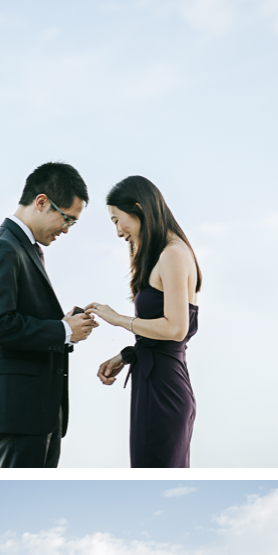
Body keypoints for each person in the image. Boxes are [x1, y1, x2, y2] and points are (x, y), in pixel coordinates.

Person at [0, 162, 96, 468]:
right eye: (68, 220)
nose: (66, 229)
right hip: (20, 408)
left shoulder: (25, 248)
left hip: (39, 408)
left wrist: (63, 322)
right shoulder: (2, 248)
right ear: (41, 202)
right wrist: (63, 332)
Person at [88, 176, 200, 468]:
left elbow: (176, 329)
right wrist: (128, 354)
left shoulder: (173, 254)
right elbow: (161, 333)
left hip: (164, 391)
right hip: (153, 384)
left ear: (138, 208)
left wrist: (117, 319)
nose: (117, 231)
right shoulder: (161, 254)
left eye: (117, 220)